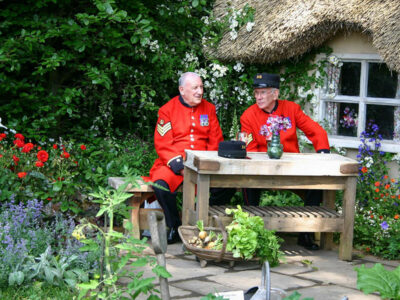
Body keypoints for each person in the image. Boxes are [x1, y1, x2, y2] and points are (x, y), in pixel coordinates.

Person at [240, 72, 330, 250]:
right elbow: (249, 148)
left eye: (263, 93)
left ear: (275, 94)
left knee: (318, 184)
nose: (258, 97)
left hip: (291, 168)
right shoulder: (248, 115)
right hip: (262, 169)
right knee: (247, 182)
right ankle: (252, 230)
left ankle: (306, 234)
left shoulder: (291, 109)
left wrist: (323, 153)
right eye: (256, 93)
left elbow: (316, 131)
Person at [146, 72, 235, 244]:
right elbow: (163, 143)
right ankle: (174, 226)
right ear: (182, 90)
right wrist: (179, 166)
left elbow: (215, 140)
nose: (199, 91)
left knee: (228, 186)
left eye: (201, 87)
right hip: (175, 162)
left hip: (202, 163)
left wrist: (208, 164)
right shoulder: (167, 110)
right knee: (160, 185)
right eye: (195, 88)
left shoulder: (208, 108)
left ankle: (197, 218)